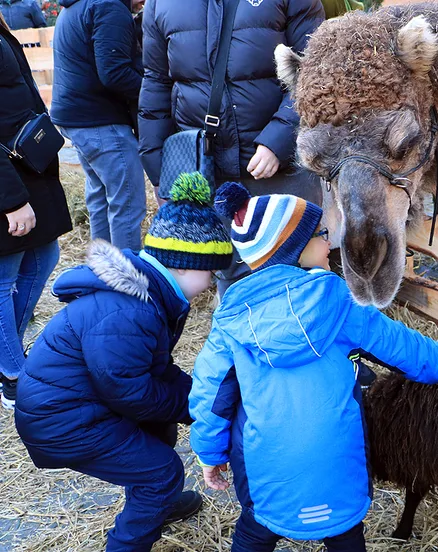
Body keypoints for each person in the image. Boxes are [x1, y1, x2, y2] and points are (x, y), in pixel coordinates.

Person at [190, 183, 438, 552]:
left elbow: (209, 392)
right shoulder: (339, 300)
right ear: (294, 249)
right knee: (345, 534)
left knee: (255, 532)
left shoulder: (231, 318)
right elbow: (396, 343)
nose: (329, 239)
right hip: (337, 464)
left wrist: (209, 453)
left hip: (267, 469)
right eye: (320, 234)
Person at [14, 173, 232, 552]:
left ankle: (154, 501)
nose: (212, 283)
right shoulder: (129, 312)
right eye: (210, 273)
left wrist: (204, 399)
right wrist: (194, 407)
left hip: (83, 403)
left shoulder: (151, 296)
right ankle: (130, 538)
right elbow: (130, 392)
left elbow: (153, 372)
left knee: (159, 429)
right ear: (183, 265)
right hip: (63, 421)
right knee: (163, 471)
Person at [139, 0, 326, 296]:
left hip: (279, 168)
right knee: (233, 274)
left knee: (298, 266)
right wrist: (159, 170)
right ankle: (244, 338)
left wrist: (279, 138)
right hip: (208, 166)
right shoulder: (160, 4)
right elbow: (156, 81)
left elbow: (314, 68)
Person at [0, 12, 71, 409]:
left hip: (27, 164)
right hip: (8, 175)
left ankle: (8, 354)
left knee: (45, 254)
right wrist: (10, 200)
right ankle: (13, 376)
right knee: (4, 277)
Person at [51, 0, 146, 251]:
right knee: (127, 205)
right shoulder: (108, 6)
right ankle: (125, 281)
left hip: (79, 119)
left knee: (102, 199)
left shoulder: (78, 6)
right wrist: (155, 91)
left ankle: (104, 273)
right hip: (101, 121)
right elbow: (115, 73)